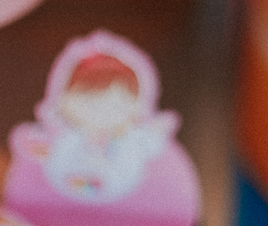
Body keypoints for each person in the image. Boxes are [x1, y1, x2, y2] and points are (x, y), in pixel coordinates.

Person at [11, 30, 178, 203]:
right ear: (64, 101)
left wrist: (157, 130)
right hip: (61, 196)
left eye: (117, 105)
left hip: (125, 202)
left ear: (136, 106)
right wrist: (37, 146)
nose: (102, 112)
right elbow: (44, 149)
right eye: (88, 101)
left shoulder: (129, 138)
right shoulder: (68, 137)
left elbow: (149, 146)